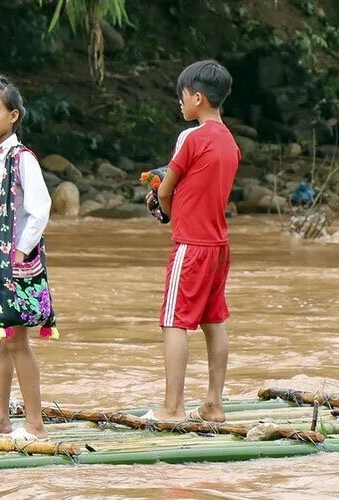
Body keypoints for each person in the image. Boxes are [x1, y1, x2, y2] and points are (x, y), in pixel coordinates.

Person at [145, 60, 240, 422]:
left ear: (197, 98)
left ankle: (173, 408)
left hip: (190, 245)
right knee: (213, 321)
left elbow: (166, 190)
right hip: (219, 245)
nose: (180, 103)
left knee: (174, 322)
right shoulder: (230, 142)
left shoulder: (192, 138)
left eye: (182, 97)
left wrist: (159, 204)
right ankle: (214, 404)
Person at [0, 75, 52, 440]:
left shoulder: (21, 158)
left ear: (13, 116)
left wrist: (18, 252)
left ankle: (35, 425)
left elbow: (40, 208)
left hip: (15, 265)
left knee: (16, 340)